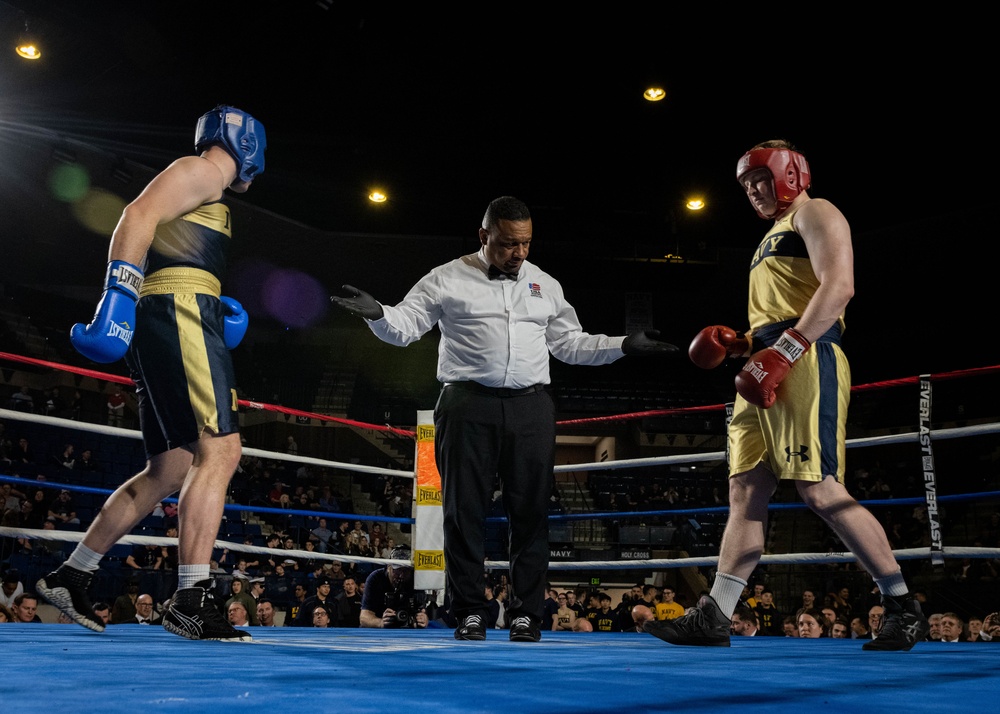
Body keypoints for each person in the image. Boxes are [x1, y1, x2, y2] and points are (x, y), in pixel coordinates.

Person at [332, 196, 677, 642]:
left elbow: (570, 343)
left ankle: (526, 614)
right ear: (484, 236)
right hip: (466, 403)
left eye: (526, 244)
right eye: (509, 244)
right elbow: (407, 324)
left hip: (531, 407)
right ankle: (470, 611)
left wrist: (623, 345)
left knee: (531, 513)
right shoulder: (446, 277)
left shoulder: (545, 283)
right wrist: (379, 314)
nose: (519, 254)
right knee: (463, 511)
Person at [646, 140, 929, 652]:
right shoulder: (769, 238)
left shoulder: (816, 212)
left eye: (760, 179)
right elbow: (781, 311)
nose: (753, 191)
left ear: (792, 173)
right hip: (769, 357)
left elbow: (838, 286)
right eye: (746, 184)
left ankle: (903, 606)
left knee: (819, 489)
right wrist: (746, 344)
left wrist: (786, 351)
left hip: (806, 358)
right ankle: (715, 614)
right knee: (745, 492)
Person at [35, 104, 266, 642]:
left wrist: (212, 302)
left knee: (169, 467)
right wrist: (118, 295)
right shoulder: (203, 169)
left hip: (178, 311)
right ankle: (190, 599)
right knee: (222, 449)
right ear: (250, 145)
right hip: (176, 312)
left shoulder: (205, 183)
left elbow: (172, 243)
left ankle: (72, 574)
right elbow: (135, 216)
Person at [359, 544, 429, 629]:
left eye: (406, 571)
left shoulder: (416, 580)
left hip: (407, 630)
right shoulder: (376, 578)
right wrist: (380, 622)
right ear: (389, 567)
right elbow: (364, 617)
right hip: (379, 631)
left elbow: (422, 612)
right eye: (397, 570)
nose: (401, 575)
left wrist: (422, 619)